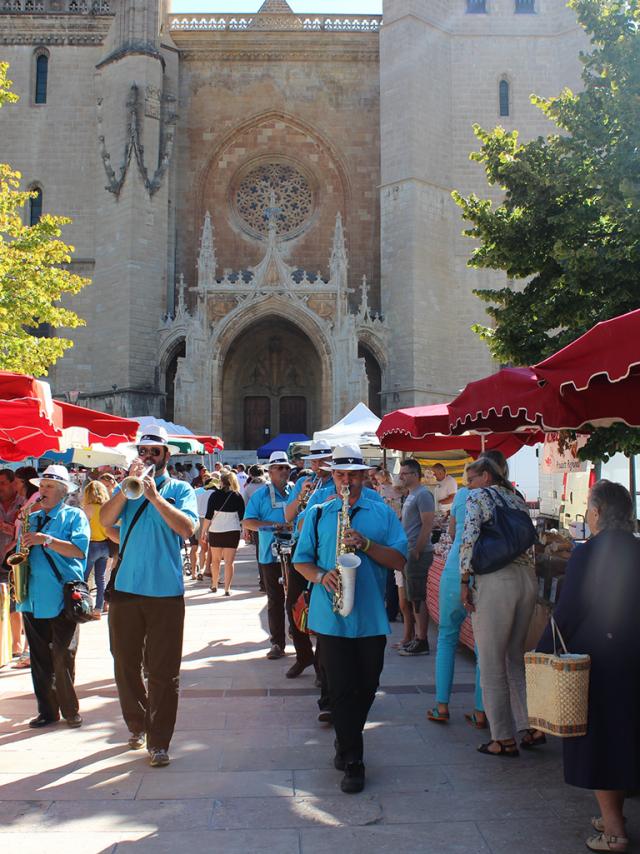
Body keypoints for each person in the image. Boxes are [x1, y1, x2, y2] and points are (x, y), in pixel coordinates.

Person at [294, 444, 408, 793]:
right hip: (330, 617)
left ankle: (346, 737)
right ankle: (354, 759)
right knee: (341, 689)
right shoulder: (318, 512)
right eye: (340, 475)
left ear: (363, 476)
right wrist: (320, 576)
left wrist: (368, 545)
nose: (347, 481)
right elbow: (302, 560)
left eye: (353, 475)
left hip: (370, 617)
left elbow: (400, 561)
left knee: (368, 686)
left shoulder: (382, 513)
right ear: (332, 476)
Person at [537, 481, 639, 853]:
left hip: (601, 664)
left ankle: (614, 831)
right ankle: (615, 817)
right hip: (633, 660)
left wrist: (542, 651)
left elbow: (568, 611)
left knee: (602, 744)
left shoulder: (588, 553)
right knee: (626, 738)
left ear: (595, 513)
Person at [100, 424, 198, 767]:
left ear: (167, 455)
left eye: (154, 452)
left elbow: (187, 529)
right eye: (142, 451)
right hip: (126, 589)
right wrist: (126, 487)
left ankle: (159, 742)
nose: (148, 457)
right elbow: (104, 521)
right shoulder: (129, 489)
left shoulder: (181, 489)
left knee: (163, 671)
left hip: (166, 593)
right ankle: (138, 723)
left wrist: (155, 496)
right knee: (125, 665)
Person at [460, 454, 536, 758]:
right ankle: (532, 725)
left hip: (496, 580)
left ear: (485, 477)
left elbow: (468, 538)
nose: (469, 485)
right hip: (525, 579)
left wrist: (463, 580)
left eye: (472, 479)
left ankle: (502, 737)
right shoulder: (516, 497)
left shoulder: (479, 496)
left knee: (490, 661)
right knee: (516, 657)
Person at [17, 465, 90, 728]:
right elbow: (21, 553)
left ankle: (70, 710)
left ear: (62, 491)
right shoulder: (32, 518)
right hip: (33, 596)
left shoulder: (74, 516)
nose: (42, 490)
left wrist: (45, 540)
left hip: (63, 595)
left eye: (48, 486)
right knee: (39, 659)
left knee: (63, 655)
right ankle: (47, 711)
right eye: (41, 486)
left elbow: (79, 551)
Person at [427, 469, 485, 728]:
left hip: (454, 572)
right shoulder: (503, 497)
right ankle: (481, 709)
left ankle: (442, 705)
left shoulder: (462, 495)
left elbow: (451, 532)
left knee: (447, 638)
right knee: (485, 646)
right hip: (485, 575)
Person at [243, 451, 300, 662]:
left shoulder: (297, 491)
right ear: (270, 471)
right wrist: (272, 526)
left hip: (296, 553)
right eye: (279, 467)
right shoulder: (260, 495)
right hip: (271, 554)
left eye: (287, 467)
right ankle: (277, 642)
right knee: (275, 599)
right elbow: (248, 522)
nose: (284, 471)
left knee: (296, 597)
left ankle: (298, 635)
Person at [397, 458, 435, 656]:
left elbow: (427, 524)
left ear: (414, 474)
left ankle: (422, 640)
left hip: (417, 553)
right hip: (408, 551)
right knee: (412, 596)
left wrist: (417, 550)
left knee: (418, 596)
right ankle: (417, 638)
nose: (401, 476)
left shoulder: (423, 494)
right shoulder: (410, 495)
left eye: (404, 473)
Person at [10, 466, 41, 668]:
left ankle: (30, 652)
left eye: (17, 481)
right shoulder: (30, 499)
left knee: (28, 602)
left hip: (30, 556)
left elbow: (31, 521)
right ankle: (27, 650)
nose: (14, 485)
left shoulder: (37, 498)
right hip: (23, 552)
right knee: (23, 601)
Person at [200, 470, 245, 595]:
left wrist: (203, 532)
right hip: (232, 531)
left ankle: (214, 584)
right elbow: (242, 517)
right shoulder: (237, 496)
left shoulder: (214, 495)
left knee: (215, 560)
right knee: (229, 562)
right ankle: (227, 588)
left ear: (221, 482)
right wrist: (246, 531)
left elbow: (209, 516)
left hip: (216, 531)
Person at [0, 468, 26, 657]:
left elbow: (22, 532)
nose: (0, 487)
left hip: (11, 560)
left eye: (3, 483)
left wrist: (5, 527)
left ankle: (17, 642)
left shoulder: (24, 502)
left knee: (13, 602)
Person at [81, 480, 111, 619]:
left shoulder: (88, 508)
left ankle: (84, 606)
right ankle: (98, 608)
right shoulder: (106, 507)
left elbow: (82, 529)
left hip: (91, 545)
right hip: (105, 545)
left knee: (84, 578)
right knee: (100, 579)